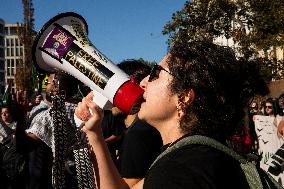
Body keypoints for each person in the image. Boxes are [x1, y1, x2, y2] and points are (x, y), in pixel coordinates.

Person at [76, 40, 269, 188]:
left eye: (155, 73)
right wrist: (94, 133)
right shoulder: (192, 159)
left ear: (184, 97)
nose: (143, 82)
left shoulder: (179, 170)